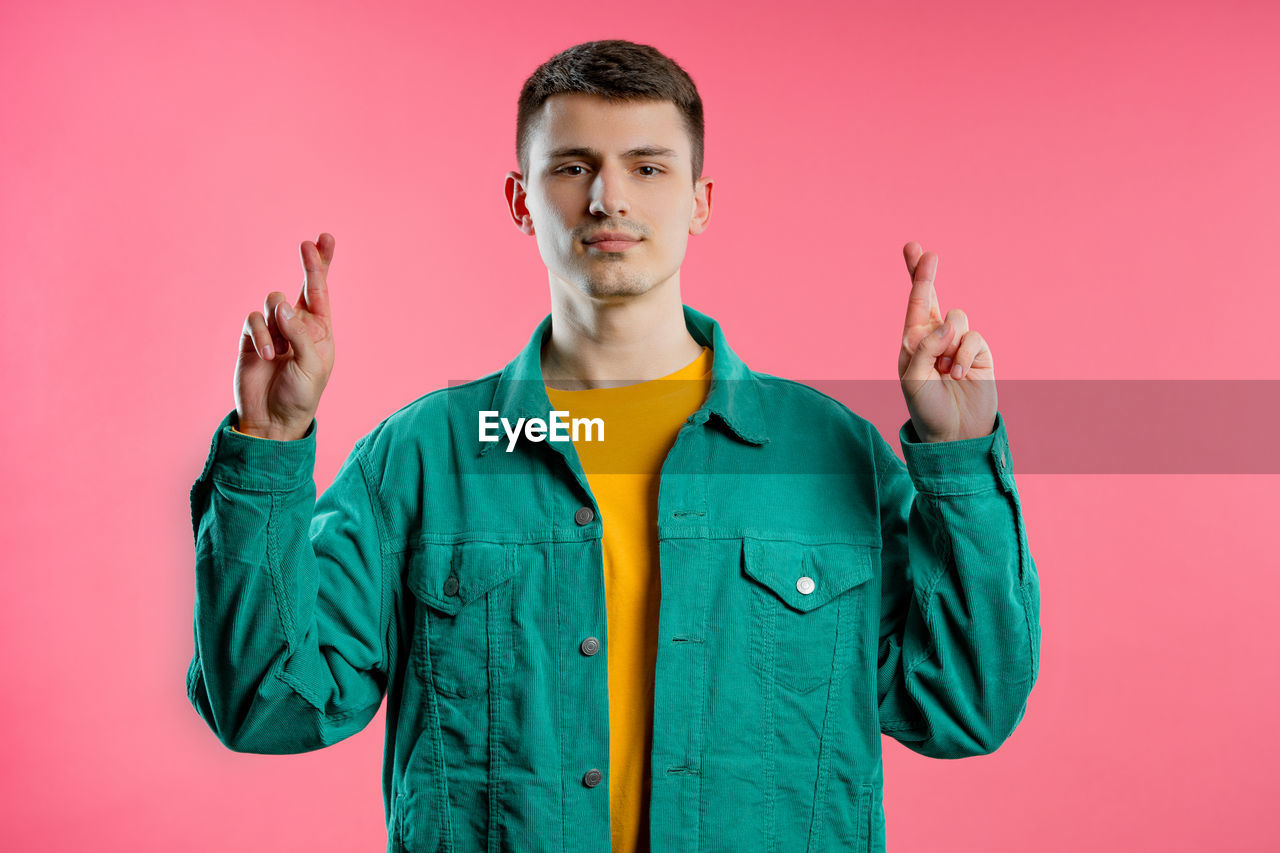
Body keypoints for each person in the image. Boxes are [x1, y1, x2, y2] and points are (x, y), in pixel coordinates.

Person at [186, 39, 1041, 853]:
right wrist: (270, 442)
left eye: (648, 166)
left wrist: (958, 456)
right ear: (522, 200)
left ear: (700, 200)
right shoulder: (421, 460)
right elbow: (269, 705)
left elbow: (963, 704)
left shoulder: (830, 457)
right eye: (571, 167)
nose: (609, 199)